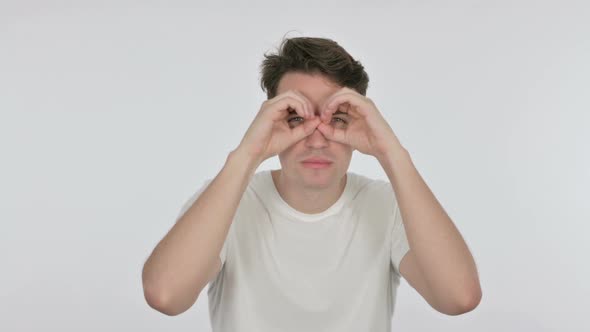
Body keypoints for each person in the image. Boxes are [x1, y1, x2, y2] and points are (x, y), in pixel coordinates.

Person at [142, 36, 482, 331]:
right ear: (268, 118)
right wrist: (247, 153)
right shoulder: (227, 201)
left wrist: (391, 152)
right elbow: (166, 295)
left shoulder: (387, 205)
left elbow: (458, 297)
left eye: (337, 118)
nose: (317, 140)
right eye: (295, 117)